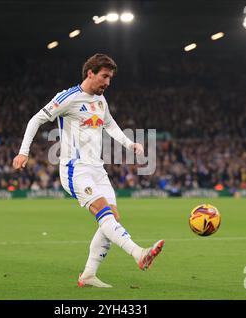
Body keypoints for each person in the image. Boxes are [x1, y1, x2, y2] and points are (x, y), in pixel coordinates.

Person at [12, 53, 164, 288]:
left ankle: (88, 275)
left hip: (97, 169)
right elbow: (36, 120)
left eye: (111, 78)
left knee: (112, 220)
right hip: (75, 169)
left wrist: (129, 144)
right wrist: (24, 151)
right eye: (104, 76)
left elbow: (110, 124)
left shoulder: (101, 101)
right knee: (105, 215)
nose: (108, 83)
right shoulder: (68, 97)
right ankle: (139, 253)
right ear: (90, 73)